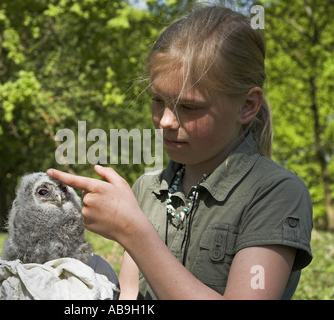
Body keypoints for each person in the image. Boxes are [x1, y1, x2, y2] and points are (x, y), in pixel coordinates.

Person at [47, 5, 313, 300]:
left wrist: (135, 233)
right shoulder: (146, 190)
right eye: (157, 100)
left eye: (189, 107)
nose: (165, 121)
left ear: (247, 105)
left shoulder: (277, 194)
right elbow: (131, 297)